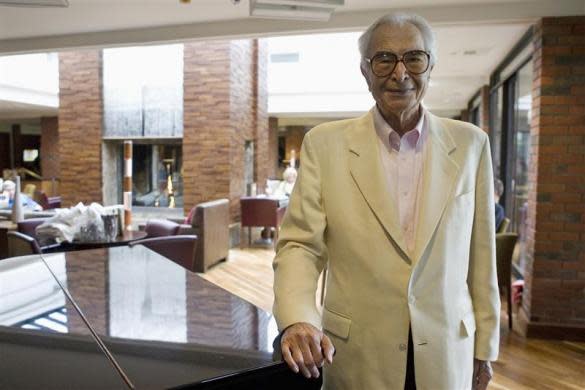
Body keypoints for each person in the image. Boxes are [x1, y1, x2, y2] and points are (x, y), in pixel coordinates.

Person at [273, 12, 500, 390]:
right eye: (384, 59)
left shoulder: (472, 144)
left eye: (414, 57)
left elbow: (482, 255)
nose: (400, 73)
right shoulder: (325, 144)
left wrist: (486, 346)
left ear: (431, 66)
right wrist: (298, 317)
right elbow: (300, 245)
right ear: (365, 71)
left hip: (448, 348)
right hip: (356, 352)